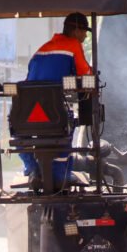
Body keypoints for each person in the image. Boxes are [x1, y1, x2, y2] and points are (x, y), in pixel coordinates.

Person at [19, 12, 93, 185]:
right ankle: (61, 174)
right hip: (54, 111)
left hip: (26, 111)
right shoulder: (73, 45)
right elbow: (85, 73)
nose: (85, 35)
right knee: (68, 123)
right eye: (84, 32)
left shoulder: (42, 49)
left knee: (18, 130)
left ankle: (32, 169)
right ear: (75, 31)